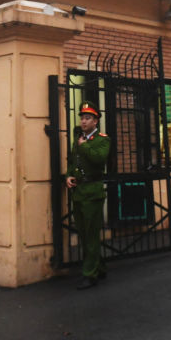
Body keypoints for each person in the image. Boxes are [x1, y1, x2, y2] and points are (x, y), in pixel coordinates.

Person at [65, 102, 110, 290]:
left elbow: (99, 159)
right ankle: (100, 267)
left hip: (93, 193)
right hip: (79, 192)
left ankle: (90, 274)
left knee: (91, 235)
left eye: (88, 118)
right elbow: (73, 161)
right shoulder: (79, 139)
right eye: (82, 118)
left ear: (95, 121)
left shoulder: (102, 140)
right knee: (84, 234)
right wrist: (69, 175)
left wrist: (84, 147)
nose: (83, 121)